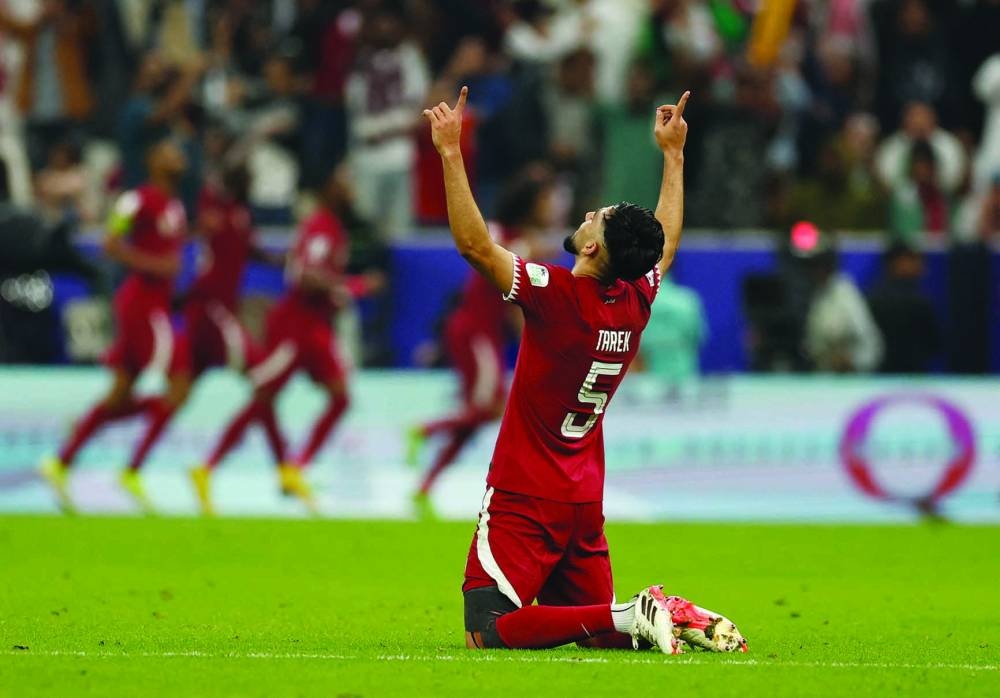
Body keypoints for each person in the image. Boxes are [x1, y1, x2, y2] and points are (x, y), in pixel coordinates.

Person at [423, 86, 745, 653]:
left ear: (594, 249)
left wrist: (450, 152)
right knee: (599, 635)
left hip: (525, 494)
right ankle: (672, 616)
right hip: (583, 498)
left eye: (599, 218)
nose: (589, 214)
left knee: (487, 630)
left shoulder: (555, 294)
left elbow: (475, 247)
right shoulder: (636, 298)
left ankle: (634, 613)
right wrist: (673, 157)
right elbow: (665, 245)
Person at [189, 167, 382, 515]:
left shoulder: (330, 228)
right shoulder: (321, 228)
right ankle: (208, 467)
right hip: (294, 327)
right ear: (328, 189)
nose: (351, 189)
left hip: (316, 328)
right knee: (264, 396)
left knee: (340, 397)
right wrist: (352, 286)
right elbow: (305, 276)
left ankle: (295, 467)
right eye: (344, 182)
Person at [40, 138, 190, 512]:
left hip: (157, 305)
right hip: (141, 305)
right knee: (179, 384)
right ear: (153, 160)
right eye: (170, 151)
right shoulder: (136, 200)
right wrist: (154, 265)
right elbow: (110, 243)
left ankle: (61, 461)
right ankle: (132, 470)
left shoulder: (175, 205)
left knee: (121, 392)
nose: (179, 156)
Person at [406, 165, 555, 515]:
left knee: (479, 416)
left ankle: (426, 485)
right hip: (476, 330)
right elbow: (515, 302)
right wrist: (538, 341)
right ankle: (424, 430)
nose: (553, 208)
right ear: (531, 203)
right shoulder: (517, 244)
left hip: (475, 329)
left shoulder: (503, 233)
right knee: (489, 410)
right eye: (548, 200)